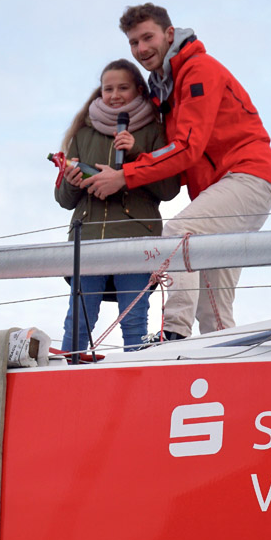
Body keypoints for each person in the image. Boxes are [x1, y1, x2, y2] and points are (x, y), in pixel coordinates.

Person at [85, 3, 271, 340]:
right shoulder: (166, 89)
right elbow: (175, 153)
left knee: (179, 232)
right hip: (222, 190)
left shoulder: (199, 70)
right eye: (133, 43)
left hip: (246, 178)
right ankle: (219, 364)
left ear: (169, 34)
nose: (141, 49)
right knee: (213, 308)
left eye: (147, 37)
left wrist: (124, 176)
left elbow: (188, 146)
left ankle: (172, 332)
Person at [56, 59, 180, 354]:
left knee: (134, 319)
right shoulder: (82, 134)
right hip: (87, 241)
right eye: (107, 88)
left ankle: (136, 379)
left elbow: (169, 189)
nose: (114, 94)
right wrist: (72, 181)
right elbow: (63, 200)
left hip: (136, 240)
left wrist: (137, 153)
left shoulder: (153, 131)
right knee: (79, 319)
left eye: (122, 87)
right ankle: (66, 376)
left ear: (138, 89)